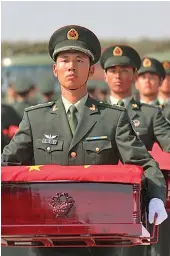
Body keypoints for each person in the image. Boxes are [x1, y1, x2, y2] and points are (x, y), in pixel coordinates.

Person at [2, 25, 167, 256]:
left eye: (79, 60)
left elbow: (145, 163)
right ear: (55, 69)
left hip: (100, 238)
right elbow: (7, 164)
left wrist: (156, 198)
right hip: (46, 239)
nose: (71, 66)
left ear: (91, 71)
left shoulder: (112, 118)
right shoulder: (35, 118)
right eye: (65, 60)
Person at [100, 45, 170, 152]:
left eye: (124, 71)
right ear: (105, 76)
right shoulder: (93, 112)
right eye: (113, 71)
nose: (118, 76)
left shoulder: (151, 114)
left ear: (135, 76)